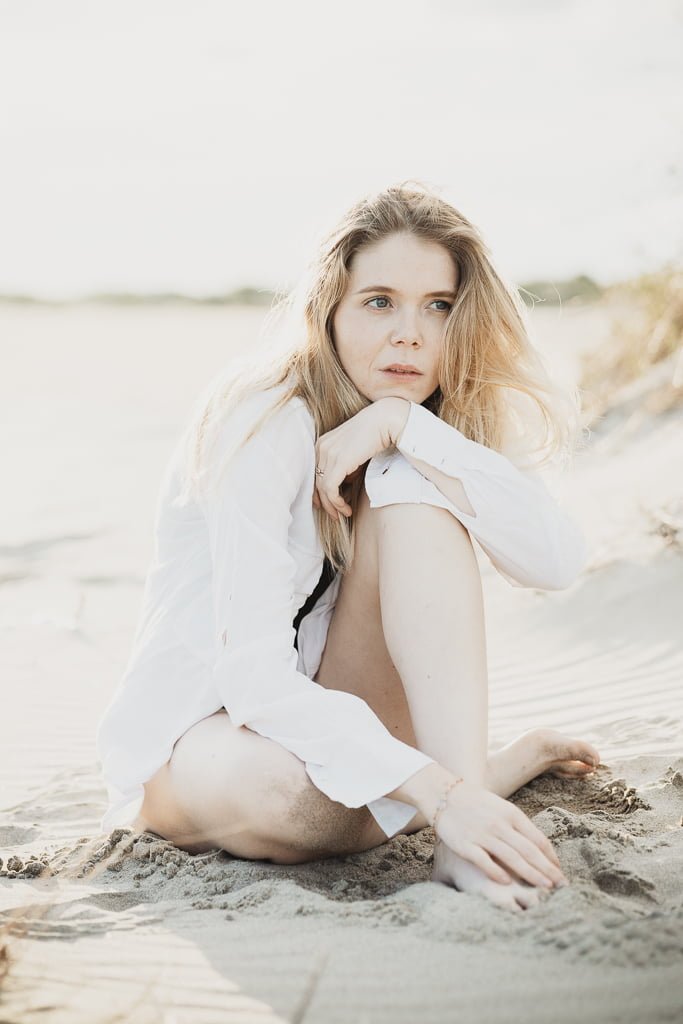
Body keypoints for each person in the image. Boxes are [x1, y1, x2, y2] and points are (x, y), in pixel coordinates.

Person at [95, 181, 600, 912]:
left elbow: (555, 561)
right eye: (378, 301)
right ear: (326, 309)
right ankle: (467, 787)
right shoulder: (262, 415)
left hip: (335, 713)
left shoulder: (428, 426)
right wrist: (442, 790)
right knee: (296, 800)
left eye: (439, 306)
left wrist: (405, 424)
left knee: (413, 486)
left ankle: (460, 837)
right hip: (207, 737)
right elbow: (253, 682)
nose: (410, 334)